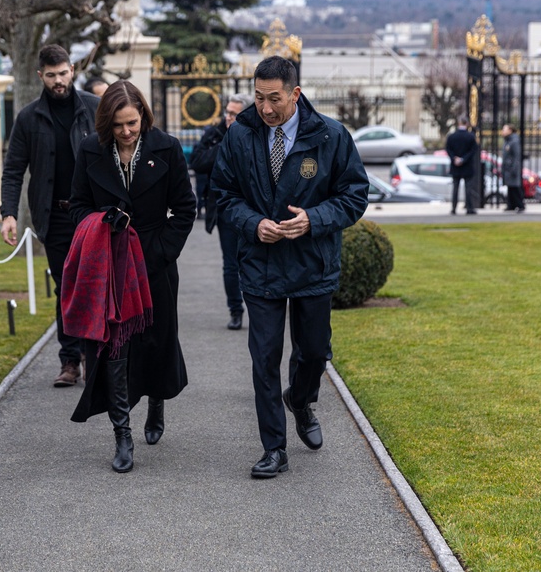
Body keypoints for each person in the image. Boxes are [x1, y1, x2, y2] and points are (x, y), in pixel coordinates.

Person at [210, 56, 369, 479]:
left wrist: (314, 220)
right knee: (263, 357)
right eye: (259, 98)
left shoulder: (332, 136)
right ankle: (274, 448)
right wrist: (253, 223)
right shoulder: (240, 135)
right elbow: (222, 195)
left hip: (312, 264)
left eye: (274, 99)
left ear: (295, 94)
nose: (265, 108)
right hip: (260, 266)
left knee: (314, 351)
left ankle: (300, 400)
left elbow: (355, 195)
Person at [67, 80, 196, 473]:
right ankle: (121, 433)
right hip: (110, 267)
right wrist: (100, 222)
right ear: (107, 122)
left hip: (154, 264)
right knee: (113, 348)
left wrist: (158, 253)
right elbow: (77, 206)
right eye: (119, 125)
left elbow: (186, 209)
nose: (126, 131)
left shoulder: (167, 148)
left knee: (157, 340)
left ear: (143, 116)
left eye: (133, 123)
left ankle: (156, 401)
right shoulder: (90, 149)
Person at [0, 44, 101, 388]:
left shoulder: (93, 108)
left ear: (73, 70)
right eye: (52, 75)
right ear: (40, 75)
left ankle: (94, 354)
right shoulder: (28, 118)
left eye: (63, 73)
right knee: (67, 287)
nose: (59, 81)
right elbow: (14, 169)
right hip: (54, 217)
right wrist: (8, 213)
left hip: (93, 216)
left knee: (95, 284)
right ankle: (70, 360)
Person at [188, 93, 253, 330]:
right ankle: (235, 310)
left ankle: (259, 309)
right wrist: (225, 145)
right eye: (227, 112)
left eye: (234, 114)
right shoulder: (215, 134)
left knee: (252, 262)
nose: (229, 117)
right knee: (230, 264)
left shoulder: (256, 134)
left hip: (253, 210)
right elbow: (196, 161)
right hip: (225, 209)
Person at [445, 114, 478, 215]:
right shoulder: (470, 136)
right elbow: (473, 150)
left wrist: (454, 158)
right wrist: (463, 159)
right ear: (466, 123)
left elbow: (448, 149)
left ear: (458, 123)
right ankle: (469, 208)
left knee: (455, 188)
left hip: (455, 166)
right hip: (467, 165)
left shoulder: (451, 136)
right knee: (468, 188)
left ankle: (454, 208)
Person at [501, 123, 525, 212]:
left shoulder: (514, 141)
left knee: (515, 187)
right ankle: (511, 204)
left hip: (512, 168)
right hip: (507, 168)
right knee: (510, 187)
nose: (503, 131)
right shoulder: (508, 141)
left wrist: (514, 169)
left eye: (504, 129)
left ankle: (520, 205)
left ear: (510, 130)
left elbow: (516, 157)